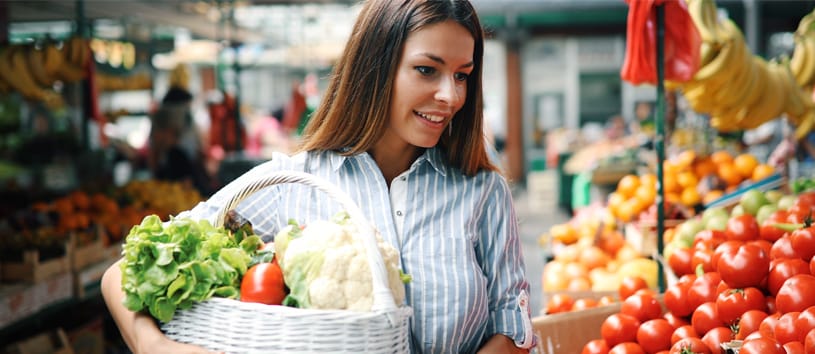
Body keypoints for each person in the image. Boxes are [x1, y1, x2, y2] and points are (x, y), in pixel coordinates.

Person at [100, 1, 533, 353]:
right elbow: (123, 272)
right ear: (375, 69)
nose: (450, 95)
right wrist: (150, 343)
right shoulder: (291, 182)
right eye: (427, 69)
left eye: (463, 76)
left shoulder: (482, 190)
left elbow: (513, 325)